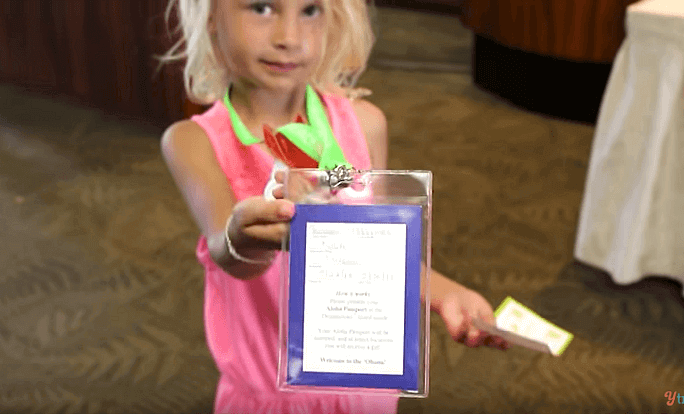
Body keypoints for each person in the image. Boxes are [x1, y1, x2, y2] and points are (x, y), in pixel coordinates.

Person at [160, 0, 508, 412]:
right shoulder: (193, 142)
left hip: (363, 387)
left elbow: (378, 255)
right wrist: (244, 237)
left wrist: (449, 293)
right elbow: (228, 255)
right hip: (271, 396)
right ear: (211, 16)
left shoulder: (365, 124)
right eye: (261, 8)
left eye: (310, 11)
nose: (288, 39)